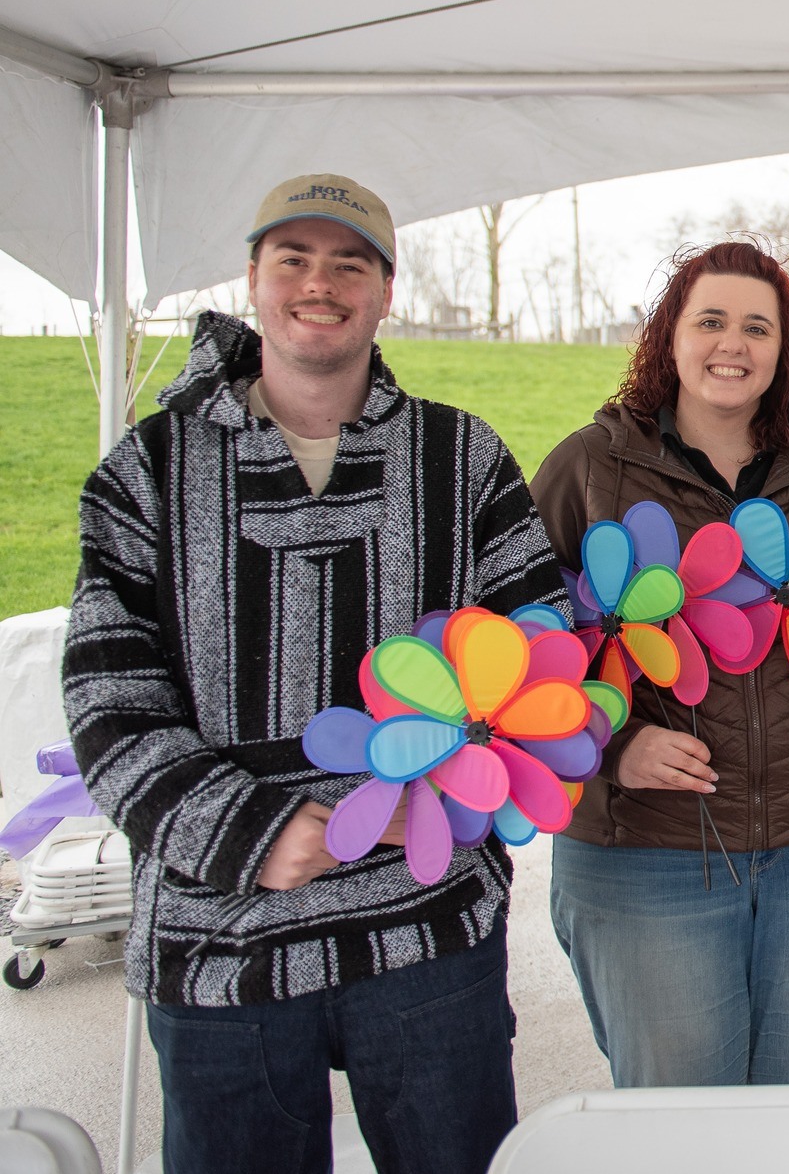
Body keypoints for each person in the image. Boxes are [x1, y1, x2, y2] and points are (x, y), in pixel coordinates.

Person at [64, 174, 569, 1174]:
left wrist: (430, 799)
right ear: (253, 280)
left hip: (425, 930)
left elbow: (541, 649)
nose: (319, 283)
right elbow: (106, 696)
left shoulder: (459, 455)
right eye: (292, 258)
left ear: (384, 292)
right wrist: (254, 832)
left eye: (349, 262)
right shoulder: (147, 469)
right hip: (220, 940)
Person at [531, 237, 789, 1088]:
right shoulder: (591, 468)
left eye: (758, 327)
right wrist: (615, 744)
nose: (732, 344)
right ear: (669, 336)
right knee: (683, 1119)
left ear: (786, 353)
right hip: (647, 853)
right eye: (710, 320)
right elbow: (517, 646)